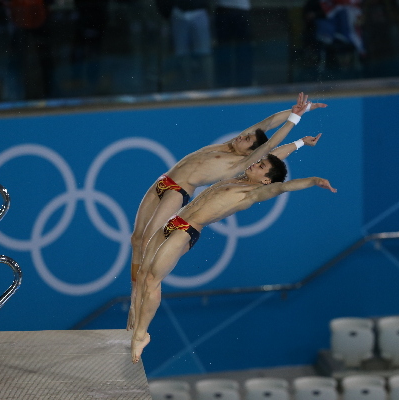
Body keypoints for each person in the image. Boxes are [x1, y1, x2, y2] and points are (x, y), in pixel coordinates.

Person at [127, 92, 327, 329]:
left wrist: (296, 123)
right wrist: (305, 108)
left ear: (251, 154)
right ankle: (136, 290)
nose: (242, 136)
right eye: (244, 135)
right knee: (137, 239)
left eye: (246, 140)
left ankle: (135, 302)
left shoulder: (240, 165)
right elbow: (269, 122)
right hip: (164, 180)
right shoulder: (231, 145)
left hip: (177, 191)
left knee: (150, 243)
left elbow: (272, 147)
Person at [130, 154, 337, 362]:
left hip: (185, 231)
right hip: (173, 222)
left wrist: (313, 181)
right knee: (143, 274)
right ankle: (135, 319)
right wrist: (300, 144)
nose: (255, 164)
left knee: (152, 280)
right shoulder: (237, 178)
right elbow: (270, 150)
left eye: (261, 166)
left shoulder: (253, 193)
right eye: (258, 162)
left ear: (266, 180)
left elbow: (282, 187)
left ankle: (141, 335)